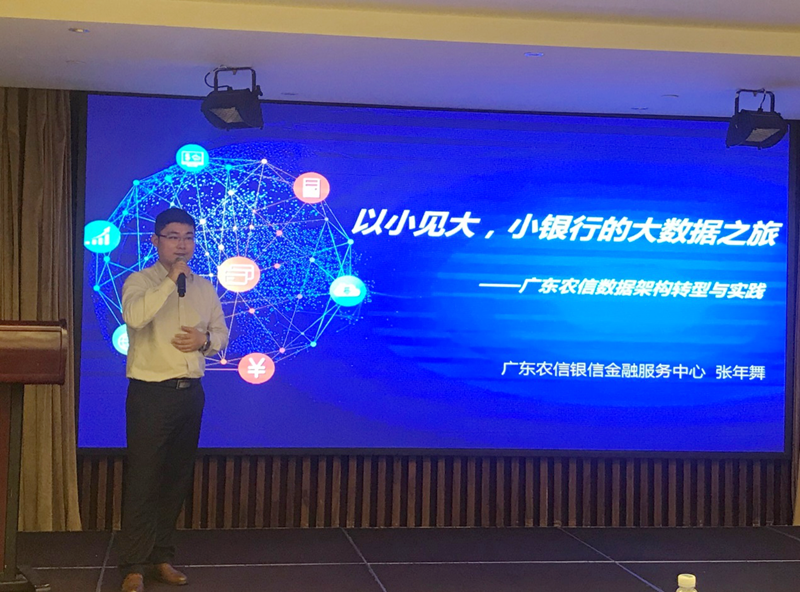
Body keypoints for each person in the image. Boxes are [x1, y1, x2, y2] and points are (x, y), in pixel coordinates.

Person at [118, 208, 228, 592]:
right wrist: (169, 282)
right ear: (155, 241)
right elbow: (134, 317)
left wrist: (205, 340)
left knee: (175, 479)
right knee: (144, 480)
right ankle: (133, 565)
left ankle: (160, 557)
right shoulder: (139, 281)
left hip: (190, 394)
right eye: (173, 236)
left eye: (188, 237)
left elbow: (221, 334)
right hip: (150, 394)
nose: (182, 245)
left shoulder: (204, 287)